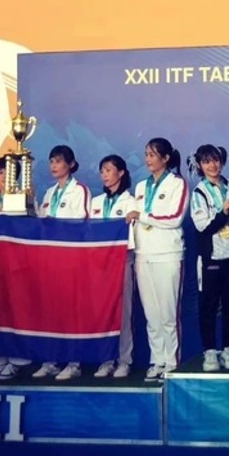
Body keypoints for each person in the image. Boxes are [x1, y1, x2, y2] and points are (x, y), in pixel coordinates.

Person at [127, 138, 188, 381]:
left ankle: (171, 362)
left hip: (168, 255)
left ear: (165, 158)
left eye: (152, 155)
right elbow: (132, 218)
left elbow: (174, 218)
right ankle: (157, 360)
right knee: (151, 315)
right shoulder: (141, 186)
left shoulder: (177, 184)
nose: (147, 159)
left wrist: (143, 215)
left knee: (168, 314)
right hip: (143, 254)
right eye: (146, 154)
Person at [31, 145, 91, 380]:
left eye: (58, 161)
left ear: (71, 164)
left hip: (71, 259)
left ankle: (73, 362)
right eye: (51, 162)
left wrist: (56, 224)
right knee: (51, 311)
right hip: (50, 260)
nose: (53, 166)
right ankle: (51, 360)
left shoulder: (80, 191)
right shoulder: (48, 193)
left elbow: (83, 222)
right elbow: (41, 222)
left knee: (70, 310)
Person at [189, 145, 229, 372]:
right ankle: (210, 352)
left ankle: (228, 349)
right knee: (208, 306)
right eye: (207, 161)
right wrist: (225, 212)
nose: (213, 165)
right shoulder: (199, 192)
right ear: (200, 165)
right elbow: (204, 227)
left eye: (216, 160)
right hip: (211, 258)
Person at [0, 157, 31, 380]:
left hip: (17, 261)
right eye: (0, 172)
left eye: (8, 172)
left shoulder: (25, 198)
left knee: (16, 310)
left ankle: (18, 360)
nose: (3, 176)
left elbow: (31, 227)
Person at [90, 155, 135, 379]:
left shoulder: (131, 202)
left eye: (109, 170)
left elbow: (133, 237)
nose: (105, 175)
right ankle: (105, 359)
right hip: (99, 265)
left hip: (122, 261)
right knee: (102, 312)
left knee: (123, 313)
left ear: (121, 172)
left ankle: (124, 360)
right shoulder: (95, 203)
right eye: (102, 171)